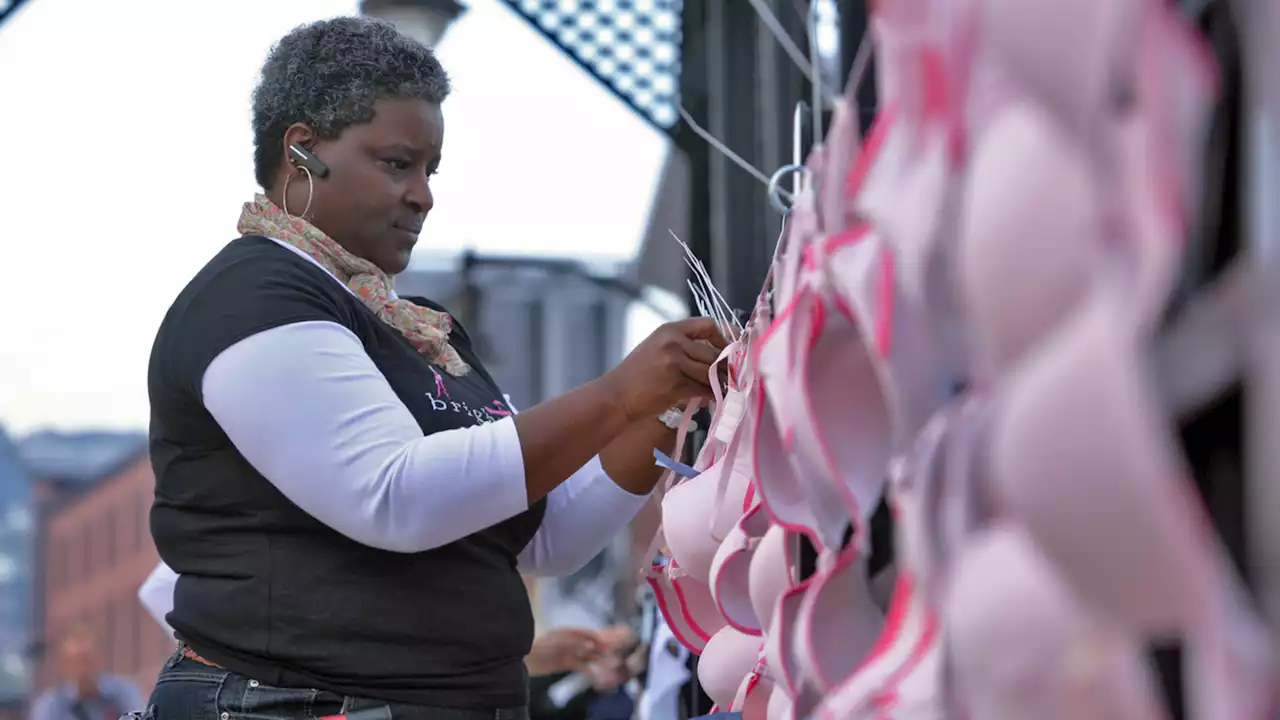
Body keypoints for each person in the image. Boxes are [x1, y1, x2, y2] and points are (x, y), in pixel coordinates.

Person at [142, 15, 724, 720]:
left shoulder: (415, 325)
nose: (423, 194)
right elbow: (395, 498)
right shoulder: (254, 299)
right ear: (301, 152)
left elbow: (544, 536)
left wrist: (666, 405)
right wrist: (614, 395)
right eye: (396, 163)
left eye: (429, 169)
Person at [27, 625, 143, 720]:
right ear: (63, 665)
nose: (82, 669)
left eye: (86, 660)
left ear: (100, 660)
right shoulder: (51, 706)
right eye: (74, 662)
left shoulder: (124, 694)